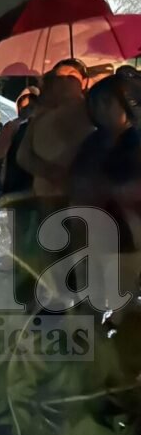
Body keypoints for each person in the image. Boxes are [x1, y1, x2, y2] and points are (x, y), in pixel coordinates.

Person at [70, 75, 141, 308]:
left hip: (125, 239)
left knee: (124, 305)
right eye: (96, 103)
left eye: (107, 102)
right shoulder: (91, 142)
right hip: (89, 234)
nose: (100, 109)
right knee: (89, 303)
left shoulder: (136, 142)